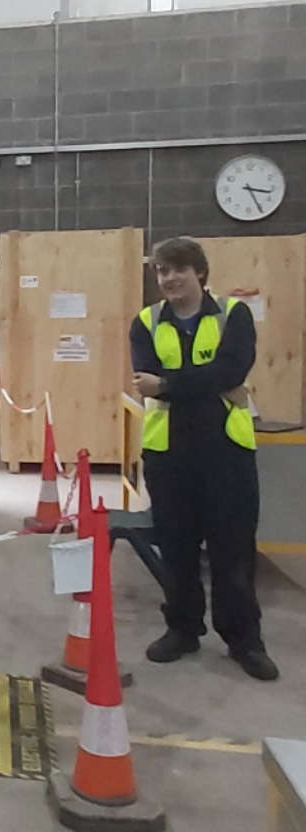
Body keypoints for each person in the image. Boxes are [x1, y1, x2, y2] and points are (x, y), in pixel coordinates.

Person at [131, 236, 278, 681]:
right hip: (168, 454)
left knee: (233, 550)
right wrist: (205, 384)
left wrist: (171, 385)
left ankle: (244, 641)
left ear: (200, 273)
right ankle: (182, 629)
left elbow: (232, 371)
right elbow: (145, 380)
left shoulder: (234, 316)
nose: (170, 278)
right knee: (175, 547)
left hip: (226, 453)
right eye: (162, 271)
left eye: (178, 269)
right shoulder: (145, 323)